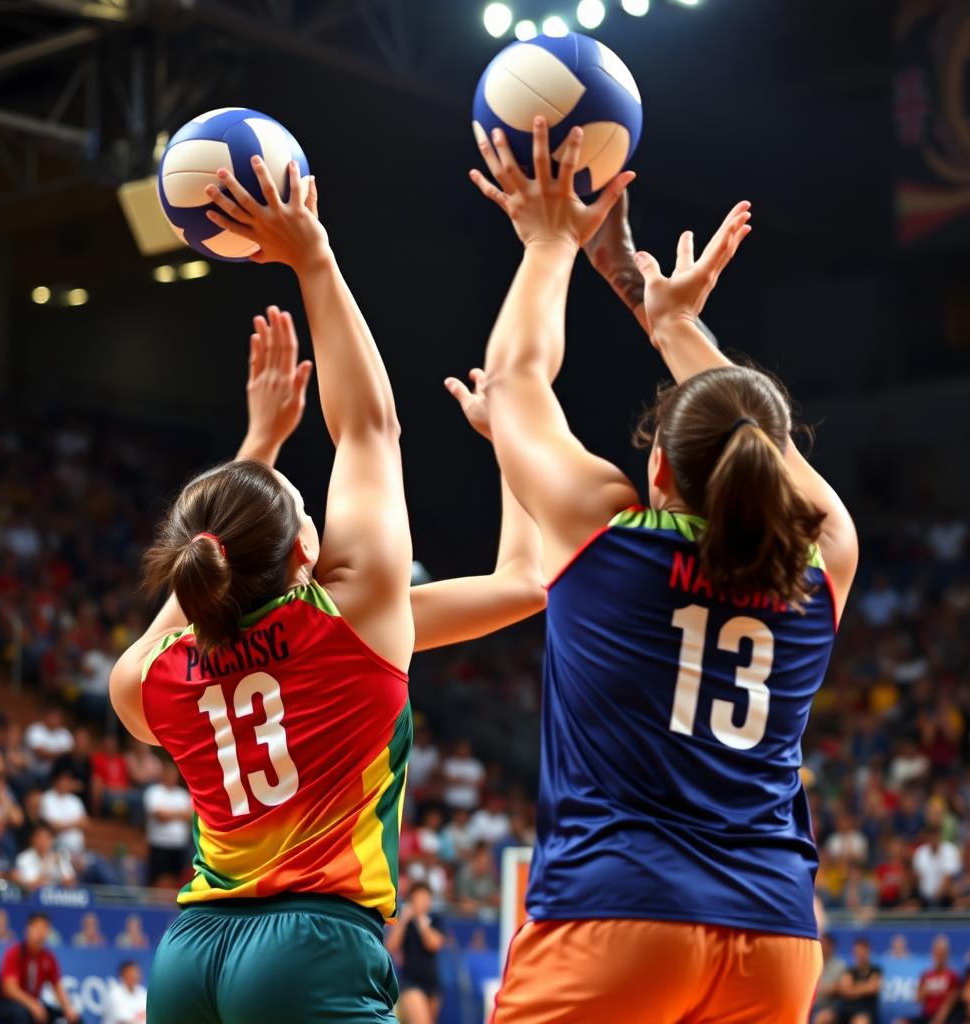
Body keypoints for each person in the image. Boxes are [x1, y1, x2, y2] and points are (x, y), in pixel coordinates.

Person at [109, 156, 545, 1024]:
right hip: (306, 947)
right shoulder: (357, 620)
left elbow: (520, 585)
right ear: (306, 549)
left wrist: (258, 446)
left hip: (190, 959)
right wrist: (315, 256)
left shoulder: (151, 679)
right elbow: (370, 427)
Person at [469, 117, 858, 1023]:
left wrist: (548, 239)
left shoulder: (605, 534)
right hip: (774, 936)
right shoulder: (822, 563)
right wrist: (677, 325)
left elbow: (516, 379)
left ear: (656, 471)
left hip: (616, 918)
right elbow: (761, 441)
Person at [0, 912, 81, 1024]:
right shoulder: (14, 953)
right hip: (2, 1003)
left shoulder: (48, 958)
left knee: (75, 1019)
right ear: (28, 930)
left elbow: (57, 986)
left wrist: (68, 1009)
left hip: (30, 1003)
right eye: (37, 928)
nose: (40, 933)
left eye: (44, 928)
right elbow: (10, 989)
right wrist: (32, 1005)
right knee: (22, 1015)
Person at [385, 882, 446, 1024]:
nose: (423, 903)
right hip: (410, 982)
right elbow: (391, 947)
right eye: (419, 899)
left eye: (426, 899)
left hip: (432, 984)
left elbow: (433, 944)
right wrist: (405, 919)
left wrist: (420, 919)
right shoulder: (405, 923)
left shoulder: (435, 920)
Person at [142, 759, 192, 886]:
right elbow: (160, 815)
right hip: (159, 844)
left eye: (174, 774)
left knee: (176, 882)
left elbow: (190, 815)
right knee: (157, 880)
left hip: (179, 846)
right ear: (163, 774)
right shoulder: (154, 792)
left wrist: (170, 814)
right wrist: (180, 814)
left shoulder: (183, 794)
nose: (171, 776)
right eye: (169, 773)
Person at [897, 935, 961, 1024]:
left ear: (946, 954)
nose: (939, 956)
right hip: (927, 1015)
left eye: (941, 953)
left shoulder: (952, 975)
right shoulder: (926, 975)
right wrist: (925, 991)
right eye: (936, 953)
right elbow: (918, 999)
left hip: (946, 1017)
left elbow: (951, 1001)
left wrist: (940, 1018)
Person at [818, 937, 881, 1024]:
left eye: (862, 952)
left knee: (859, 1022)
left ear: (867, 951)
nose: (859, 955)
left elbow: (874, 987)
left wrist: (853, 988)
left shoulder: (876, 970)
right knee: (823, 1017)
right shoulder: (849, 971)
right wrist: (865, 987)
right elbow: (846, 991)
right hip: (844, 1009)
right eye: (857, 952)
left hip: (865, 1011)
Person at [14, 824, 76, 891]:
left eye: (46, 838)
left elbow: (71, 883)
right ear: (32, 839)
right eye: (40, 838)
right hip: (34, 898)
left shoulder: (59, 856)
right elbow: (32, 886)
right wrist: (48, 866)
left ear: (52, 840)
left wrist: (60, 866)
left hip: (57, 896)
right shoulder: (24, 858)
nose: (43, 842)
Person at [812, 934, 848, 1023]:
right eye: (820, 943)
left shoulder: (840, 965)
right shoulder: (813, 963)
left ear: (832, 946)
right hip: (812, 1005)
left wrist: (818, 990)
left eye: (824, 943)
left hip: (831, 1006)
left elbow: (838, 988)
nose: (822, 946)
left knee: (823, 1018)